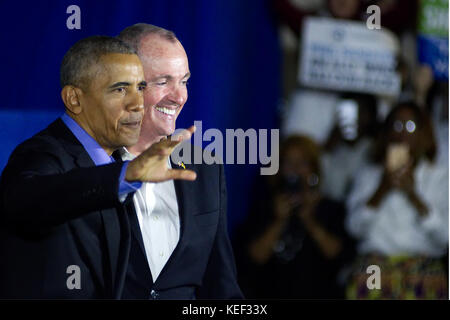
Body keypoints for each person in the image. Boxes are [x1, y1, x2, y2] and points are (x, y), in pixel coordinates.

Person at [0, 36, 196, 299]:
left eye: (140, 88)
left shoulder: (113, 162)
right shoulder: (41, 154)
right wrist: (123, 176)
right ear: (74, 100)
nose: (138, 104)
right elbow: (30, 200)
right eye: (119, 89)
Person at [117, 23, 243, 299]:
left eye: (184, 81)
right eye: (163, 82)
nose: (179, 96)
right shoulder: (87, 167)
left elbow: (220, 283)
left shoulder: (205, 168)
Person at [345, 101, 448, 299]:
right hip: (375, 266)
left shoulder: (441, 176)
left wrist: (413, 196)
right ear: (386, 133)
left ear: (424, 134)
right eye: (397, 125)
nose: (402, 134)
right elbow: (353, 228)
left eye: (410, 126)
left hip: (423, 267)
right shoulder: (369, 173)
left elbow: (445, 238)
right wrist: (382, 189)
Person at [234, 135, 355, 299]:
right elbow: (251, 259)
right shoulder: (264, 206)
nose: (296, 169)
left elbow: (339, 256)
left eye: (303, 163)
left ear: (314, 170)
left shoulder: (331, 209)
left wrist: (310, 221)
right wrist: (279, 221)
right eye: (289, 163)